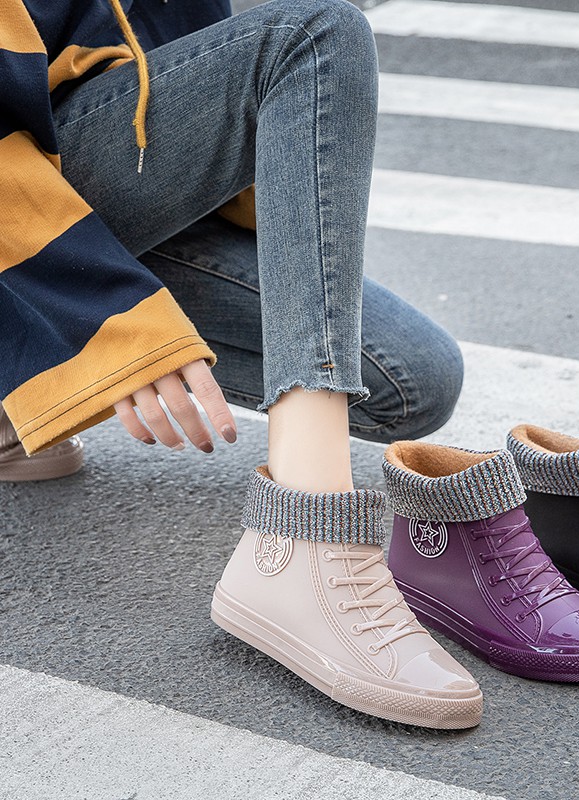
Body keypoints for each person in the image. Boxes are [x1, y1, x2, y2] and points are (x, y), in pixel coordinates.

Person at [2, 0, 484, 728]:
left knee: (411, 378)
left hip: (75, 173)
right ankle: (305, 533)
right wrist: (104, 318)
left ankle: (10, 404)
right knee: (314, 37)